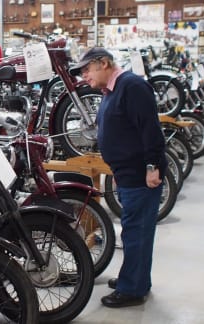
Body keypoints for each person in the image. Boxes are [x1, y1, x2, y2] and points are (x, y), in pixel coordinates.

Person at [71, 47, 167, 308]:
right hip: (127, 175)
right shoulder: (111, 91)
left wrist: (152, 166)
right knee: (135, 230)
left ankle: (132, 289)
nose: (84, 76)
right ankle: (134, 278)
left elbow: (150, 129)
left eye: (87, 69)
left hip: (140, 175)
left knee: (137, 233)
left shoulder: (131, 86)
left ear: (104, 63)